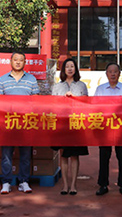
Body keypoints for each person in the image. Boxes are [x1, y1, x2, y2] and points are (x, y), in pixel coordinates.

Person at [0, 50, 40, 195]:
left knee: (25, 154)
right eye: (15, 60)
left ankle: (23, 181)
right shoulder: (3, 79)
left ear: (25, 62)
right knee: (6, 154)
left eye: (21, 60)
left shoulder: (31, 79)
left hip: (26, 122)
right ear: (11, 62)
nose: (18, 62)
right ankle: (6, 182)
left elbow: (36, 100)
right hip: (8, 122)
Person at [51, 58, 89, 195]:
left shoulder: (81, 85)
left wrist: (75, 98)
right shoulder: (57, 86)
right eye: (67, 66)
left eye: (72, 66)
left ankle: (73, 185)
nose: (70, 69)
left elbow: (86, 103)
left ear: (76, 69)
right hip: (62, 123)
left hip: (76, 123)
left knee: (74, 155)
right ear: (63, 70)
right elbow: (52, 104)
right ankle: (65, 185)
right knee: (63, 154)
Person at [94, 62, 122, 196]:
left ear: (119, 74)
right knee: (104, 157)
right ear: (106, 74)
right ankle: (103, 185)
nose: (112, 74)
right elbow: (95, 108)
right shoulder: (100, 89)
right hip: (105, 129)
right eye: (110, 72)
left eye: (115, 71)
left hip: (121, 128)